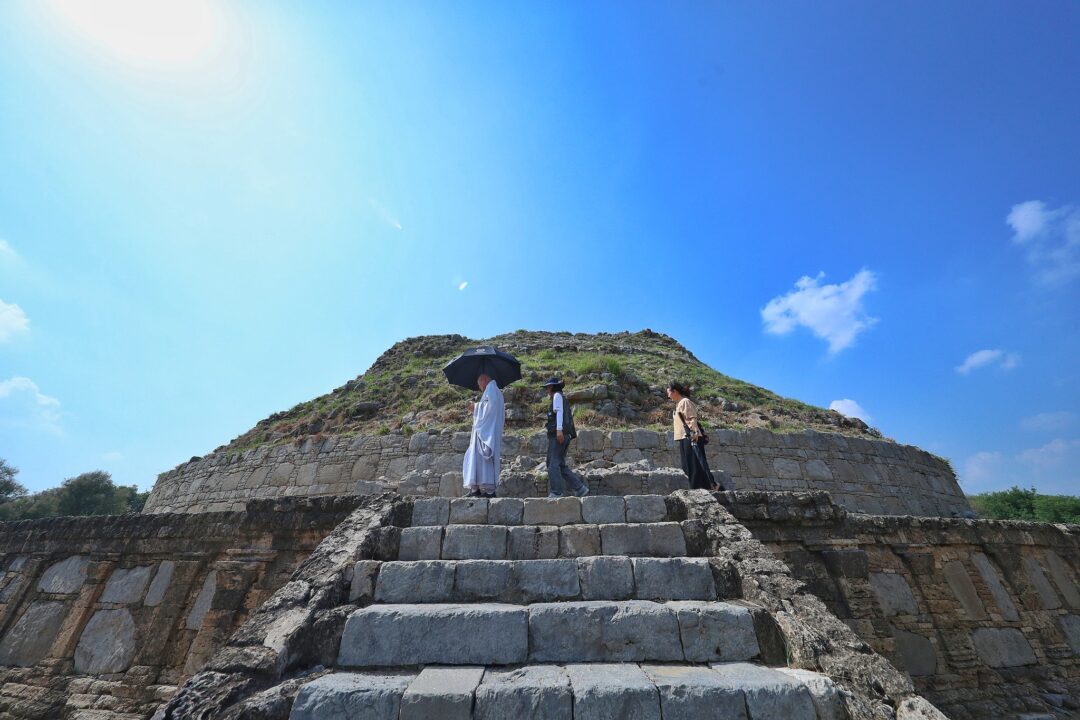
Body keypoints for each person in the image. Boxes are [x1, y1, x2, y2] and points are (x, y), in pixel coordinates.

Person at [666, 381, 719, 491]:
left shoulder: (685, 401)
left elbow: (692, 417)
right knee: (687, 466)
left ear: (674, 391)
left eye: (669, 393)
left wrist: (694, 432)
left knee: (695, 465)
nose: (668, 396)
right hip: (683, 437)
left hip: (690, 436)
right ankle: (705, 487)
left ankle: (702, 489)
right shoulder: (678, 404)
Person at [543, 378, 589, 498]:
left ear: (552, 387)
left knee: (552, 464)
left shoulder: (557, 396)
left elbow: (559, 412)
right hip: (564, 434)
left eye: (547, 388)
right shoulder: (561, 397)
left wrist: (559, 431)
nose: (546, 391)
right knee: (560, 464)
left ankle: (556, 492)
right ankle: (580, 488)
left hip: (559, 435)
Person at [463, 373, 505, 498]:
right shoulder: (493, 390)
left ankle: (488, 491)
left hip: (486, 433)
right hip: (485, 431)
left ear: (484, 380)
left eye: (479, 384)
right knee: (475, 458)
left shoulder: (491, 389)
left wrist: (474, 407)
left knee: (483, 459)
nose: (479, 387)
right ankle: (475, 489)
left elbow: (488, 409)